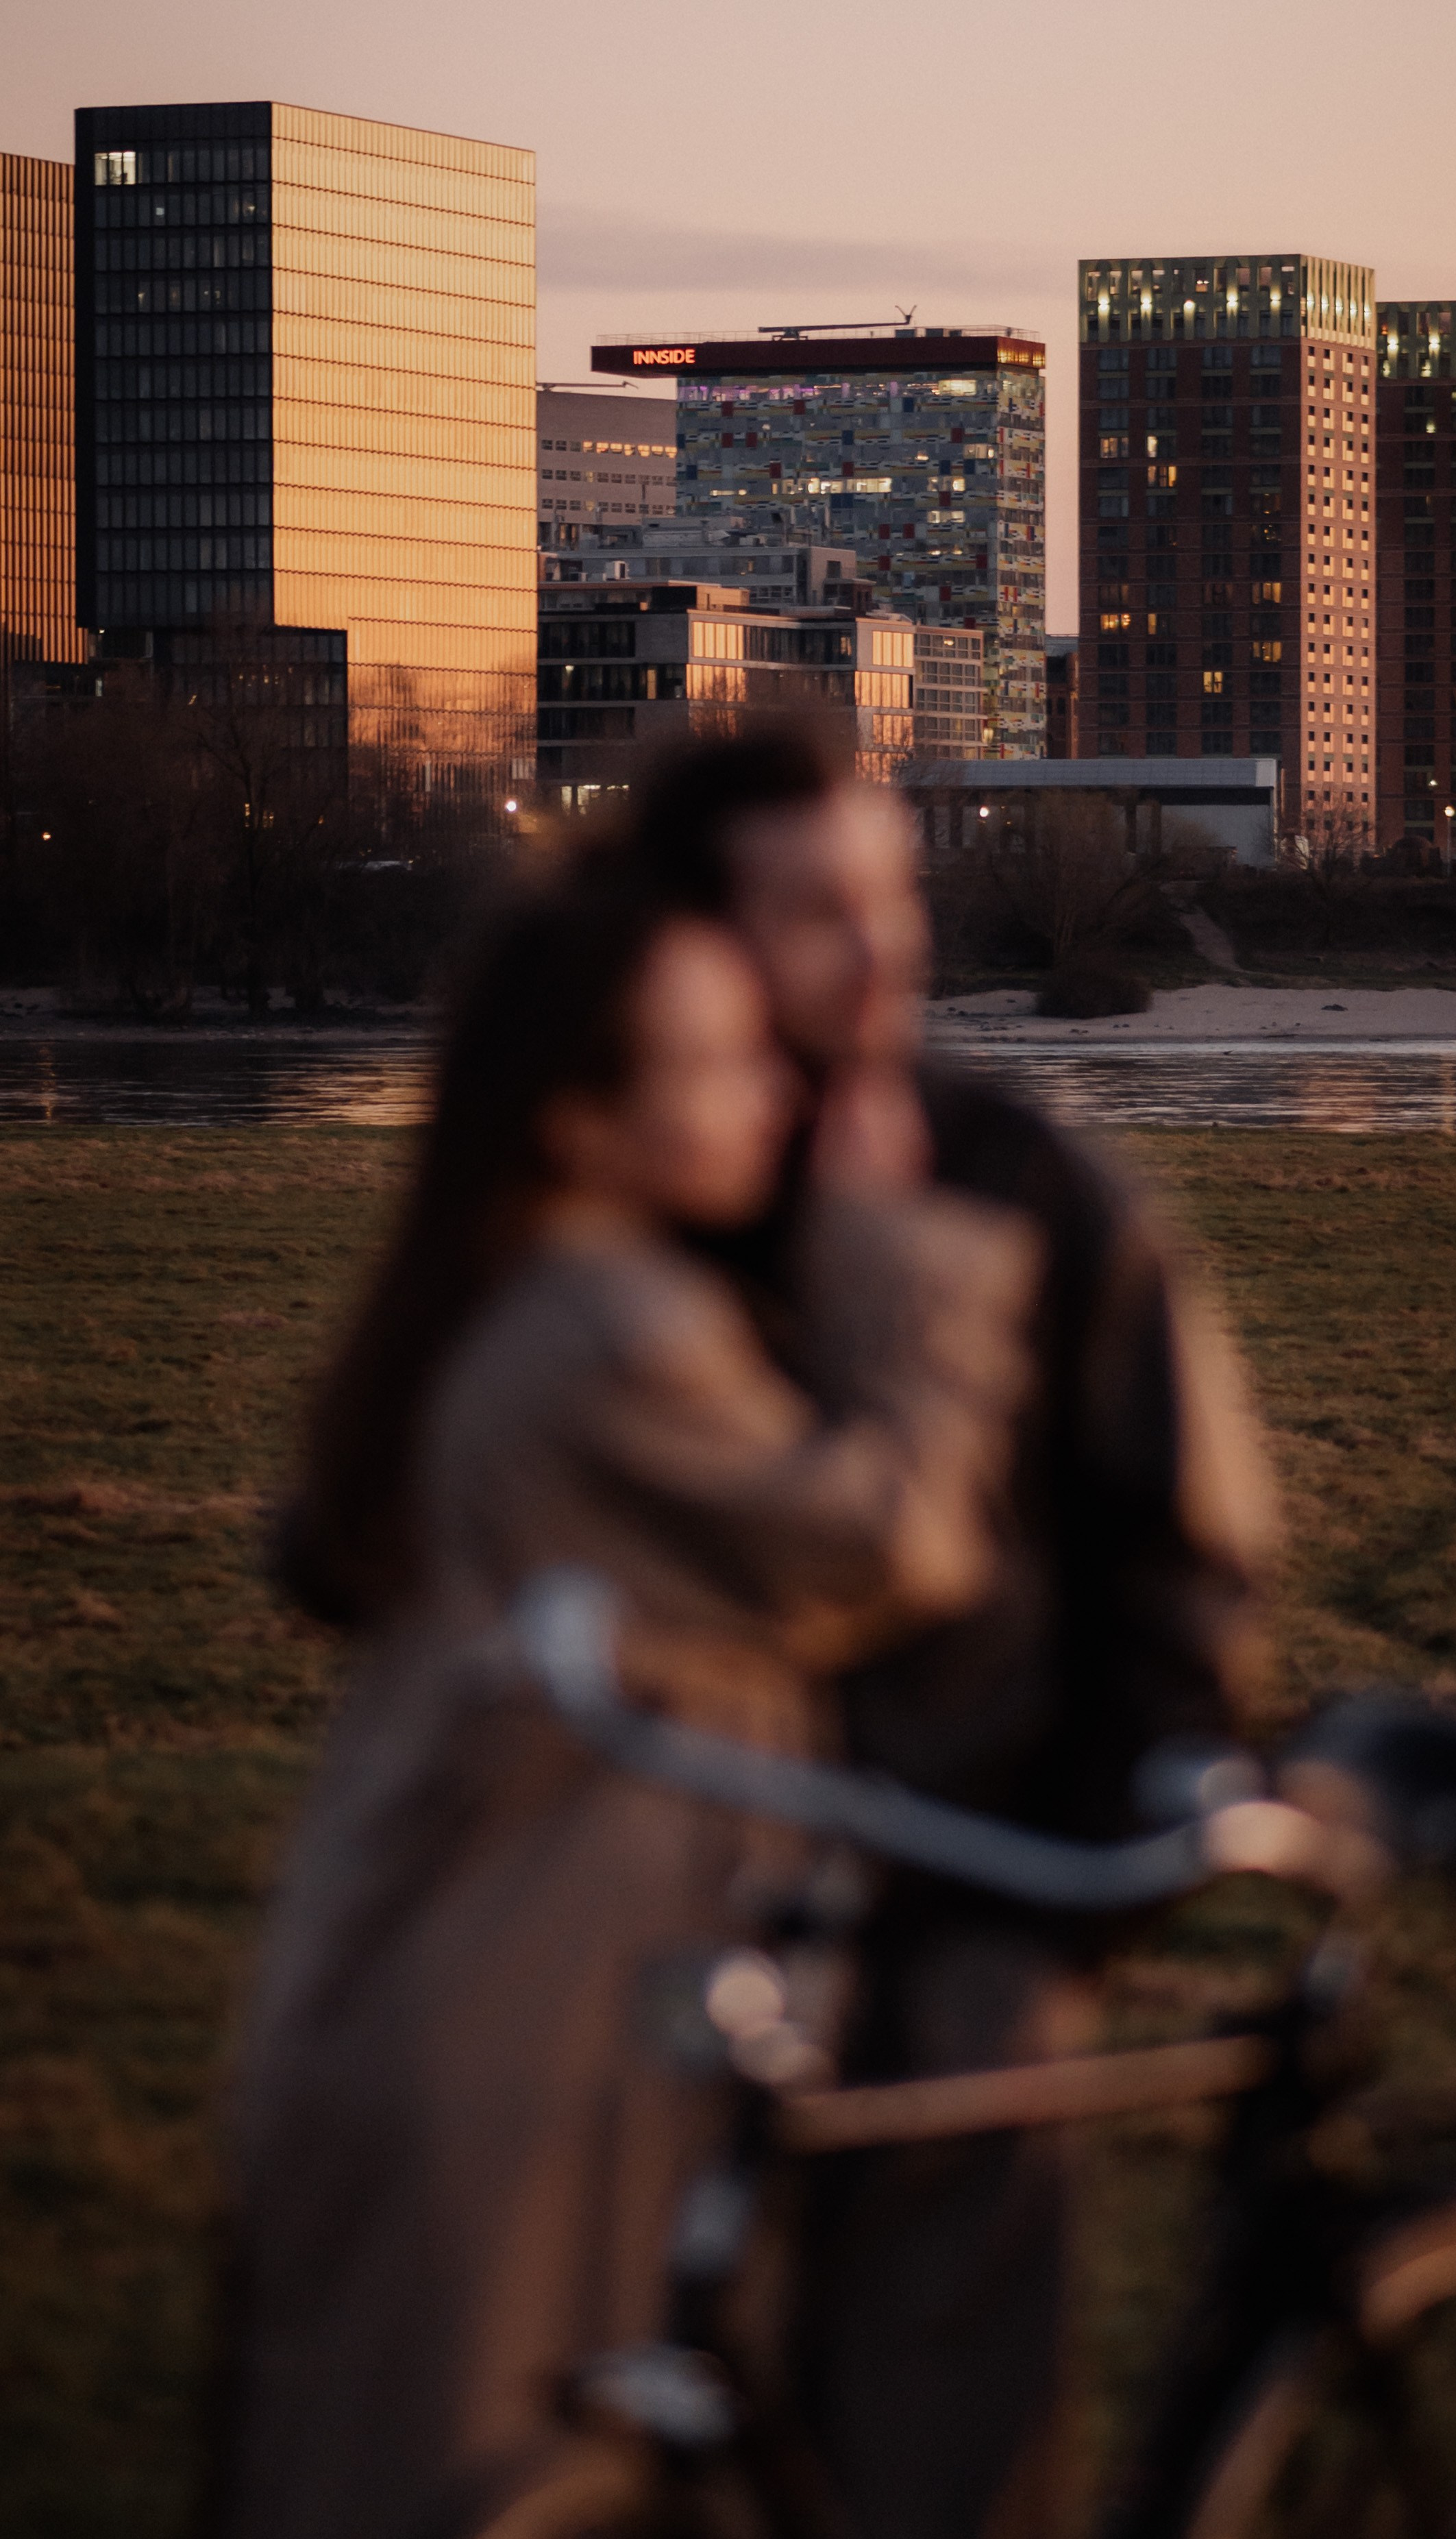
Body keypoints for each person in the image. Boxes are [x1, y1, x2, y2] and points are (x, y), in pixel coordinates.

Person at [220, 855, 1037, 2539]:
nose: (769, 1093)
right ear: (579, 1123)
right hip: (509, 2038)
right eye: (716, 1062)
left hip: (504, 1988)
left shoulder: (517, 1287)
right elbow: (888, 1541)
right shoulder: (611, 1328)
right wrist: (904, 1267)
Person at [617, 725, 1277, 2539]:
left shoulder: (1022, 1181)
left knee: (939, 2446)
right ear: (696, 944)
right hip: (682, 1896)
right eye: (813, 911)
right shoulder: (635, 1180)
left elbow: (1183, 1555)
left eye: (888, 897)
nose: (877, 949)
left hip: (965, 1899)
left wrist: (1061, 1896)